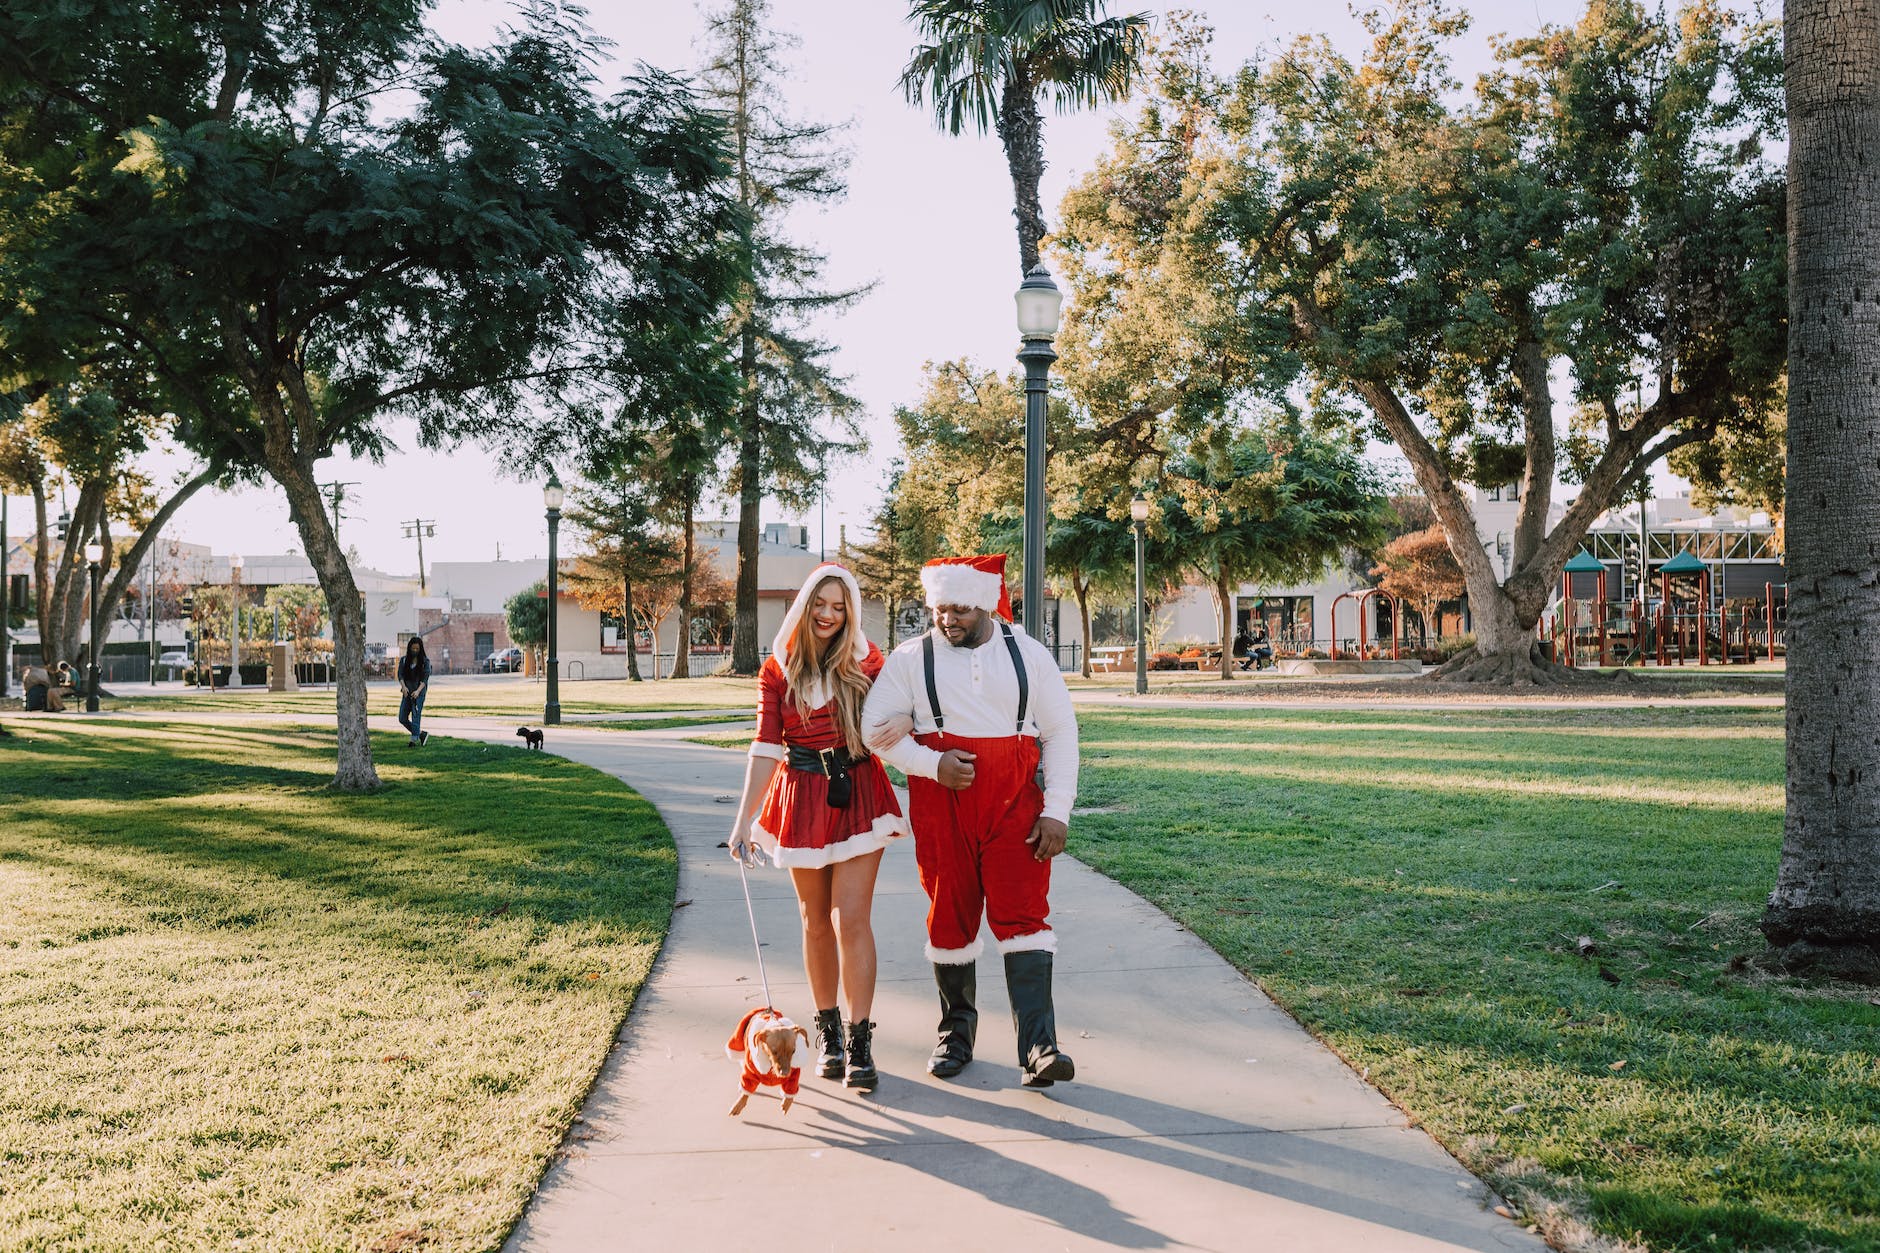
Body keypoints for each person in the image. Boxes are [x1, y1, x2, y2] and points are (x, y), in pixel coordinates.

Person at [862, 554, 1080, 1088]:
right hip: (943, 807)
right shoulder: (912, 659)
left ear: (984, 604)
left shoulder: (1029, 656)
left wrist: (1056, 811)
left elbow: (1061, 734)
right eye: (939, 608)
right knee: (950, 918)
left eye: (959, 609)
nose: (946, 619)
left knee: (1025, 915)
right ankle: (955, 1035)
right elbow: (873, 730)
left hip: (1016, 810)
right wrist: (929, 763)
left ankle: (1039, 1046)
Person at [727, 564, 908, 1091]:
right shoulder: (776, 670)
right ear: (804, 607)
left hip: (858, 793)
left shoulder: (867, 661)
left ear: (850, 611)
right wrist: (742, 821)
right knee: (814, 921)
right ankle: (826, 1031)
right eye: (820, 604)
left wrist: (904, 725)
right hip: (802, 795)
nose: (829, 614)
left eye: (840, 605)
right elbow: (765, 747)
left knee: (851, 917)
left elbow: (900, 714)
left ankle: (859, 1042)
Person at [397, 638, 431, 747]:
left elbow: (425, 679)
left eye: (417, 648)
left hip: (419, 692)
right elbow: (400, 675)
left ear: (420, 649)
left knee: (416, 716)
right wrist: (403, 687)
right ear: (409, 648)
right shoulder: (404, 660)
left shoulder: (425, 662)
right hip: (407, 692)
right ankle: (421, 734)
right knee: (402, 718)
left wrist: (418, 691)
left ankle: (413, 740)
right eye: (413, 648)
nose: (415, 650)